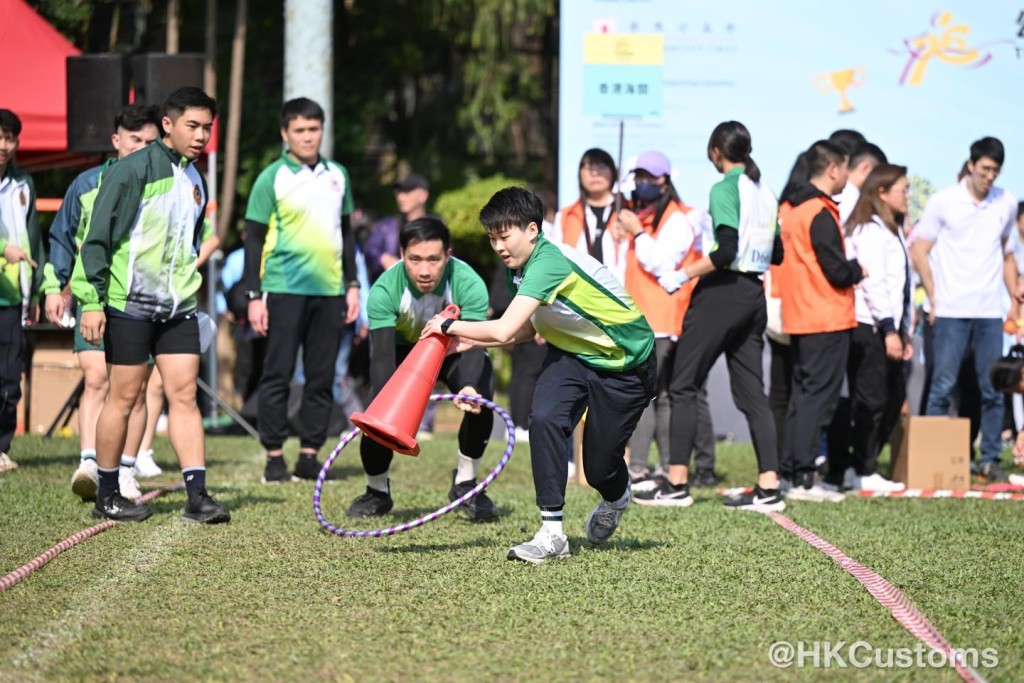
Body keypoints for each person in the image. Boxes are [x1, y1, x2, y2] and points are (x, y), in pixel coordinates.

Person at [421, 187, 656, 563]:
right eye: (492, 237)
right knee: (544, 417)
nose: (498, 246)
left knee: (598, 468)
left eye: (505, 235)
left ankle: (617, 496)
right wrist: (469, 341)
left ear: (532, 229)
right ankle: (552, 534)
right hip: (572, 353)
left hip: (624, 364)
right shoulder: (522, 264)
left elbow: (502, 328)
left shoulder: (549, 262)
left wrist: (449, 326)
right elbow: (527, 330)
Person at [71, 87, 229, 523]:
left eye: (207, 128)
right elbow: (97, 238)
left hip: (178, 308)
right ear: (168, 125)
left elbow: (190, 244)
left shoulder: (197, 179)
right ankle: (108, 492)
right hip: (128, 305)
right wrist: (91, 300)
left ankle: (198, 497)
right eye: (192, 126)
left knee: (183, 395)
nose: (201, 136)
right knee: (123, 397)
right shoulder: (132, 171)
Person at [636, 122, 784, 512]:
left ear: (716, 150)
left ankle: (677, 483)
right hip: (755, 294)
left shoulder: (724, 188)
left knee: (682, 384)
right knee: (753, 394)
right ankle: (770, 488)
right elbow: (778, 252)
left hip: (721, 294)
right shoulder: (764, 191)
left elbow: (725, 251)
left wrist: (680, 275)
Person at [43, 103, 163, 500]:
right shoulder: (86, 184)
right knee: (96, 379)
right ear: (116, 141)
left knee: (135, 387)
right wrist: (55, 287)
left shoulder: (164, 185)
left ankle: (126, 469)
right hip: (93, 298)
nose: (143, 149)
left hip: (140, 302)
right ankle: (90, 463)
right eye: (134, 141)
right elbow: (62, 237)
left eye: (150, 142)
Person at [346, 217, 498, 520]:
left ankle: (465, 484)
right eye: (415, 259)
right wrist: (384, 408)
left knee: (481, 399)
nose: (425, 270)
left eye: (433, 259)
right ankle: (377, 491)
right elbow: (382, 357)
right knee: (378, 413)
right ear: (402, 255)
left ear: (448, 255)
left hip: (454, 348)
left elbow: (474, 344)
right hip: (402, 351)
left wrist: (469, 387)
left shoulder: (468, 283)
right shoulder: (385, 289)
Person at [243, 97, 360, 483]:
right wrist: (253, 296)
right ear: (285, 133)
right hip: (282, 289)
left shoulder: (338, 174)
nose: (308, 137)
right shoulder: (271, 177)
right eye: (300, 130)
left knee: (321, 376)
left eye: (314, 130)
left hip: (329, 292)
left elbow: (346, 234)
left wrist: (353, 285)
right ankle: (274, 457)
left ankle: (310, 455)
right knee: (276, 374)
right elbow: (253, 241)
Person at [910, 137, 1021, 483]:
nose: (990, 177)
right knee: (942, 384)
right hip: (949, 311)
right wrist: (933, 296)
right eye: (985, 169)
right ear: (971, 165)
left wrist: (1015, 301)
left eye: (996, 171)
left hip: (988, 311)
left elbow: (1007, 257)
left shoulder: (1006, 203)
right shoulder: (944, 202)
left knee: (992, 388)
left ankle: (988, 458)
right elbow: (920, 250)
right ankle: (930, 459)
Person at [608, 150, 718, 489]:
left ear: (664, 181)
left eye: (648, 177)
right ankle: (662, 466)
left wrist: (637, 234)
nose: (642, 184)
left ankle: (644, 467)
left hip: (663, 319)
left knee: (654, 396)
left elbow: (663, 263)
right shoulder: (641, 215)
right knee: (657, 396)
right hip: (639, 317)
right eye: (637, 177)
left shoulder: (678, 219)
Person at [775, 140, 863, 502]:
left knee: (802, 397)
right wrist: (858, 268)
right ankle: (804, 478)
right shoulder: (819, 212)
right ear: (832, 169)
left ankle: (791, 473)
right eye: (845, 168)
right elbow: (836, 270)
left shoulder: (794, 209)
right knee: (818, 400)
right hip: (825, 315)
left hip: (801, 314)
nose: (847, 176)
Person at [825, 164, 912, 492]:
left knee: (891, 395)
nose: (907, 196)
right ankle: (860, 468)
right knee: (871, 399)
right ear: (882, 192)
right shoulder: (870, 229)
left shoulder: (892, 228)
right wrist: (889, 328)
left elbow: (901, 283)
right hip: (870, 325)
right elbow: (875, 283)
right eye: (903, 189)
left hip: (888, 326)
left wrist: (903, 331)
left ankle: (861, 465)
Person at [0, 109, 43, 474]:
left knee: (10, 377)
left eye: (10, 137)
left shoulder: (23, 186)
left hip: (13, 298)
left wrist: (40, 290)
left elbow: (35, 243)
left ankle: (1, 448)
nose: (3, 144)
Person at [550, 148, 619, 261]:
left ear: (613, 172)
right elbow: (555, 258)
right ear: (580, 174)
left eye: (601, 167)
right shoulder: (566, 215)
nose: (595, 173)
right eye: (589, 168)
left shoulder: (627, 211)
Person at [364, 172, 430, 284]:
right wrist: (382, 258)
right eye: (399, 192)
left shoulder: (435, 228)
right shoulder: (385, 226)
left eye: (407, 192)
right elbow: (370, 249)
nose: (400, 197)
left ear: (423, 195)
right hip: (391, 291)